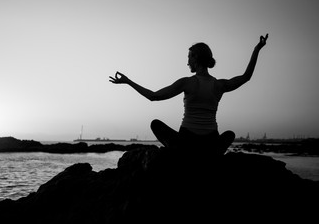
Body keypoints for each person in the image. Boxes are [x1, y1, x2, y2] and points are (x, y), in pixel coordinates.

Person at [109, 34, 269, 155]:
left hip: (186, 142)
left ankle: (181, 155)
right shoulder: (219, 85)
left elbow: (153, 96)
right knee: (230, 135)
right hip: (211, 142)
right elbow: (246, 76)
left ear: (196, 58)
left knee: (155, 124)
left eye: (189, 57)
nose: (187, 62)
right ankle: (209, 157)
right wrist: (257, 49)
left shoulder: (186, 82)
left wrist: (128, 81)